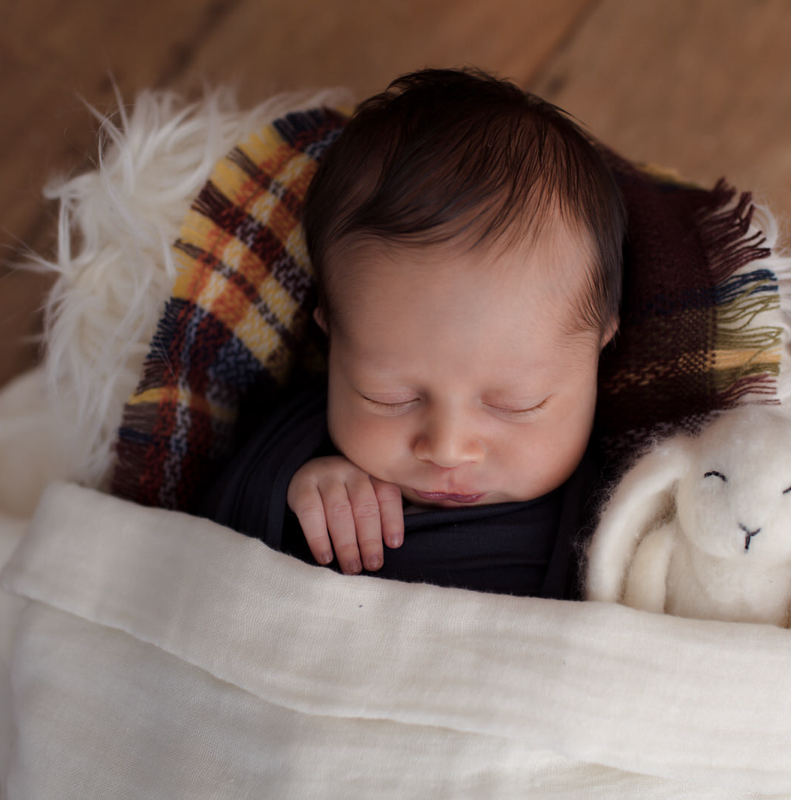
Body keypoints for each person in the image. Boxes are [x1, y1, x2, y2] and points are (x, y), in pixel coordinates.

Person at [202, 67, 626, 599]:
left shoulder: (617, 511)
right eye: (390, 397)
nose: (447, 449)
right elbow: (202, 554)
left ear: (601, 342)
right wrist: (288, 491)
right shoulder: (298, 448)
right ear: (331, 334)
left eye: (518, 404)